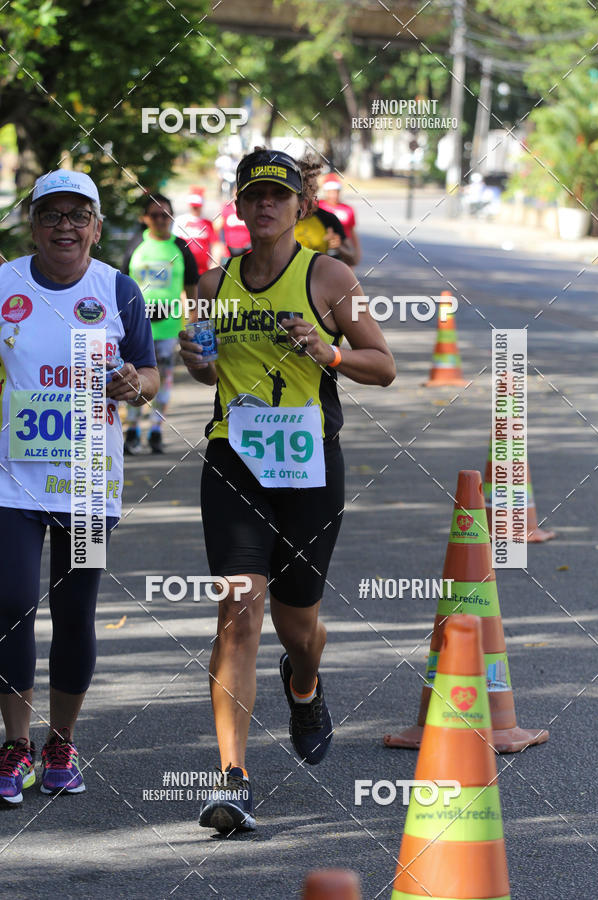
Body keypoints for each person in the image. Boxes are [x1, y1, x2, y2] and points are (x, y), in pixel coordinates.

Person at [179, 147, 395, 834]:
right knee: (239, 610)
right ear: (238, 208)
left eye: (280, 195)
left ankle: (304, 685)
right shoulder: (213, 287)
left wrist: (328, 351)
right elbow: (205, 372)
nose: (267, 205)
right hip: (234, 463)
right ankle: (231, 778)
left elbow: (383, 366)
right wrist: (196, 359)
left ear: (300, 207)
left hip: (308, 470)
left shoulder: (330, 277)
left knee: (298, 625)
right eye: (255, 196)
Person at [0, 170, 158, 805]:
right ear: (32, 225)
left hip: (90, 479)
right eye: (51, 215)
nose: (64, 225)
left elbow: (147, 373)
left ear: (96, 226)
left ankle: (60, 740)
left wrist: (134, 385)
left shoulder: (118, 289)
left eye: (78, 215)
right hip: (12, 477)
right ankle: (14, 745)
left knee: (75, 614)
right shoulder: (4, 283)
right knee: (10, 605)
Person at [122, 193, 198, 454]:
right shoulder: (135, 245)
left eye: (165, 214)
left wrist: (193, 322)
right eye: (154, 215)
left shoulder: (182, 247)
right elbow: (121, 287)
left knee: (163, 380)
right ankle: (131, 430)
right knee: (131, 378)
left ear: (172, 217)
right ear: (145, 219)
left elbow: (192, 289)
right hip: (136, 328)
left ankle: (155, 430)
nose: (160, 220)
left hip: (168, 327)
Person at [294, 192, 356, 266]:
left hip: (319, 273)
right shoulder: (286, 217)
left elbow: (352, 258)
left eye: (312, 189)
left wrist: (338, 247)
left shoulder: (328, 218)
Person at [172, 186, 224, 275]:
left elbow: (215, 244)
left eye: (197, 206)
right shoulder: (180, 221)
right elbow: (173, 243)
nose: (195, 208)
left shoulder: (207, 223)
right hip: (183, 267)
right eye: (193, 206)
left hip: (203, 269)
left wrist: (215, 263)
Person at [318, 172, 361, 265]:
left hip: (344, 247)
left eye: (336, 191)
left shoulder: (348, 209)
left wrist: (357, 252)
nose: (333, 195)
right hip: (324, 248)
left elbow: (352, 232)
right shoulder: (318, 206)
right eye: (330, 191)